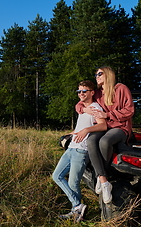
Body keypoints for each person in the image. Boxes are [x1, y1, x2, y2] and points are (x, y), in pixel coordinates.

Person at [75, 66, 134, 204]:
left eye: (100, 74)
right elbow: (79, 104)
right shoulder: (97, 93)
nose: (97, 77)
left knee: (105, 142)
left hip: (120, 127)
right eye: (96, 75)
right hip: (104, 126)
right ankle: (103, 180)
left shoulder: (121, 88)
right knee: (91, 141)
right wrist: (84, 109)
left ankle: (102, 174)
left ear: (108, 74)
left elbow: (129, 110)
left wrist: (107, 114)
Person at [53, 80, 107, 222]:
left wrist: (87, 130)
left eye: (84, 91)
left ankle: (77, 211)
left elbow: (102, 126)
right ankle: (77, 206)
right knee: (56, 176)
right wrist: (70, 135)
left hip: (81, 150)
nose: (81, 93)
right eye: (79, 91)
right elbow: (80, 127)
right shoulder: (82, 108)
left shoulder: (95, 107)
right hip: (71, 148)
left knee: (73, 183)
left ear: (92, 92)